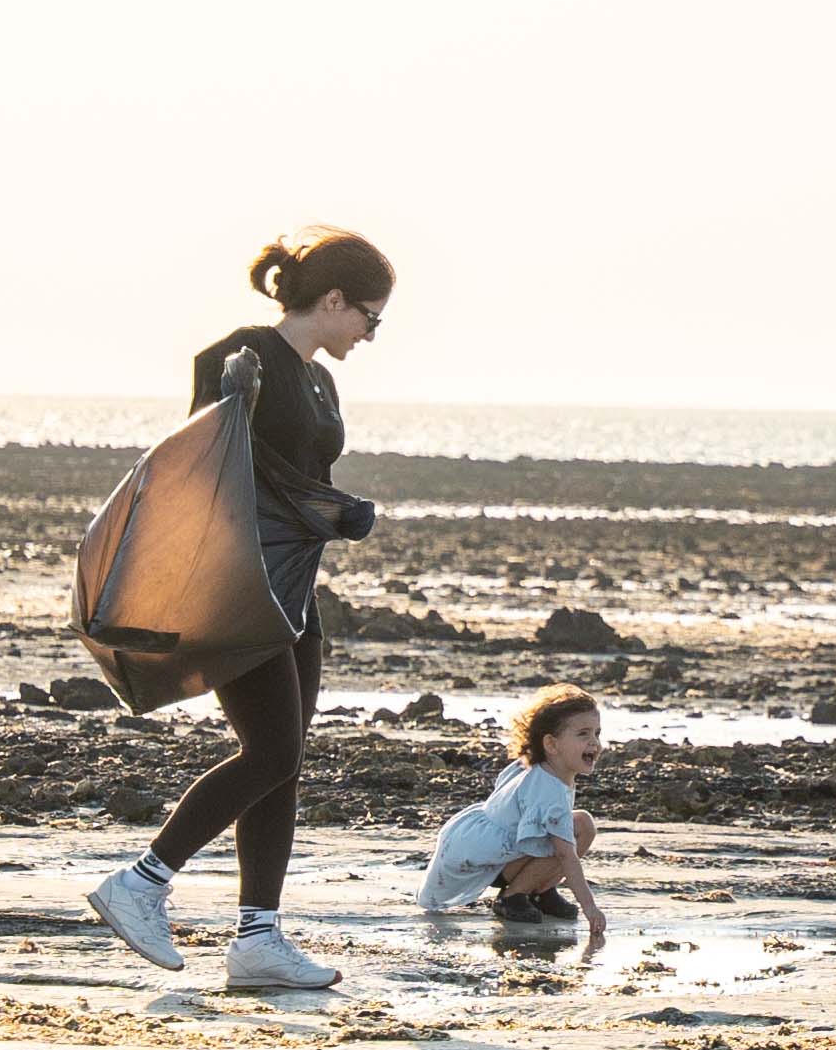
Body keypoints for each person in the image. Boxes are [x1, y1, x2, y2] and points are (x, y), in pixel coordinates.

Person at [85, 226, 392, 991]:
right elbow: (216, 469)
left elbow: (294, 478)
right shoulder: (241, 355)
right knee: (272, 753)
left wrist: (331, 511)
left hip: (295, 588)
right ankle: (143, 881)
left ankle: (258, 939)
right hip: (237, 585)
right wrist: (326, 503)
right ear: (331, 300)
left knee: (282, 766)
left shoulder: (321, 382)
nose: (370, 333)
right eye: (369, 317)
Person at [422, 685, 610, 955]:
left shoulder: (537, 766)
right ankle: (513, 896)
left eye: (597, 734)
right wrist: (590, 907)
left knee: (583, 824)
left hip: (478, 841)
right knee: (563, 839)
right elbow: (567, 855)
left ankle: (540, 890)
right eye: (583, 734)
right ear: (551, 744)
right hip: (486, 858)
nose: (594, 743)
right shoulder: (550, 789)